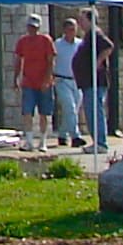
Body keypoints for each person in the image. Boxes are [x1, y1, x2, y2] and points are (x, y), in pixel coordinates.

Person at [13, 13, 57, 150]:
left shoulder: (46, 40)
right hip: (28, 82)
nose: (32, 29)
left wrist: (47, 80)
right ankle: (29, 141)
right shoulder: (23, 41)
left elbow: (51, 62)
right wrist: (16, 77)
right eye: (30, 27)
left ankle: (43, 141)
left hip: (43, 82)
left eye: (35, 27)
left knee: (44, 112)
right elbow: (18, 60)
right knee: (27, 112)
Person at [76, 8, 118, 152]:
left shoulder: (95, 33)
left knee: (95, 111)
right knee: (90, 112)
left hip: (95, 81)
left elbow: (108, 46)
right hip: (87, 82)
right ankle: (97, 142)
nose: (79, 23)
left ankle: (100, 143)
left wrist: (98, 62)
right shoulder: (88, 36)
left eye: (82, 20)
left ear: (90, 19)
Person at [53, 17, 85, 148]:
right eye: (70, 29)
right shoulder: (58, 44)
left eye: (74, 29)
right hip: (62, 79)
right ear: (65, 30)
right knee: (69, 107)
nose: (72, 32)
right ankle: (75, 136)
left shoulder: (80, 44)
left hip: (77, 81)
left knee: (72, 111)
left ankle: (62, 134)